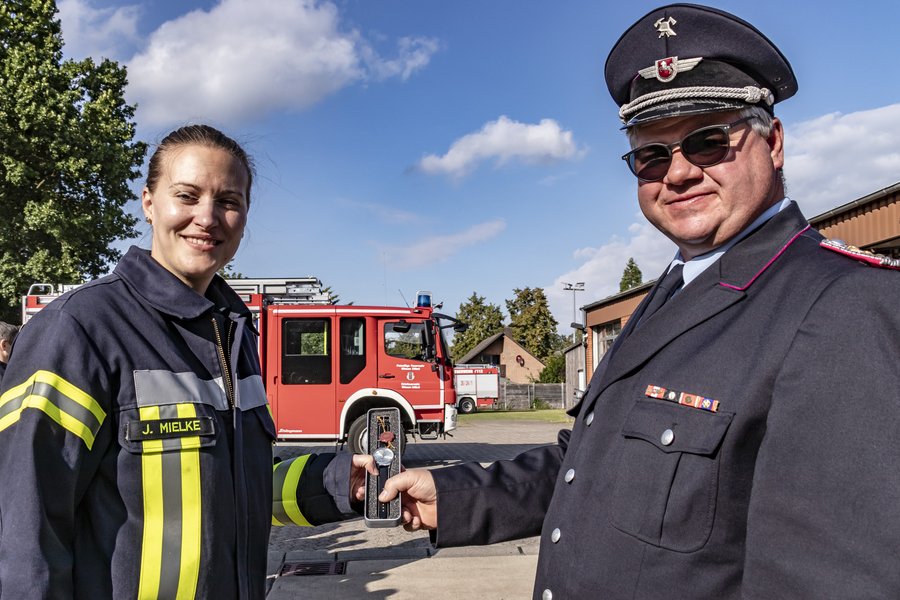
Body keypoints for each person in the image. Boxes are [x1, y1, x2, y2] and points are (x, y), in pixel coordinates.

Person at [381, 4, 900, 599]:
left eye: (707, 141)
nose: (676, 173)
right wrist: (454, 495)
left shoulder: (846, 306)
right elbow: (587, 467)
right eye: (651, 155)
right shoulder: (674, 295)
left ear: (774, 143)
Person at [0, 124, 376, 599]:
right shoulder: (78, 330)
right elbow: (23, 531)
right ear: (149, 203)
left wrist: (338, 480)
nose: (208, 217)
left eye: (229, 201)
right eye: (187, 195)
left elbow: (227, 484)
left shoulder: (233, 334)